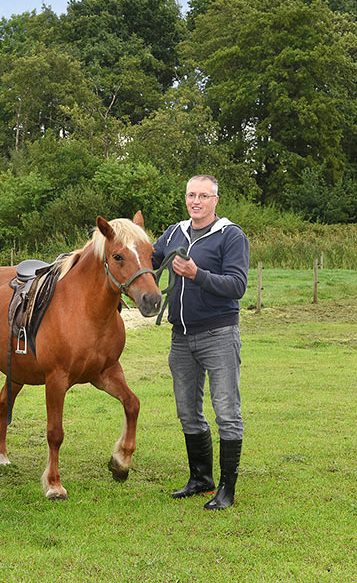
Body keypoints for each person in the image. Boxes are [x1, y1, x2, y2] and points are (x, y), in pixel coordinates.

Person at [151, 175, 249, 510]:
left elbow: (237, 286)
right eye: (191, 195)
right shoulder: (175, 232)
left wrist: (197, 274)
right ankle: (200, 478)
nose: (196, 201)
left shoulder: (230, 235)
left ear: (215, 200)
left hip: (219, 335)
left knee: (226, 412)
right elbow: (147, 261)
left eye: (203, 196)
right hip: (181, 338)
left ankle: (227, 490)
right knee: (187, 412)